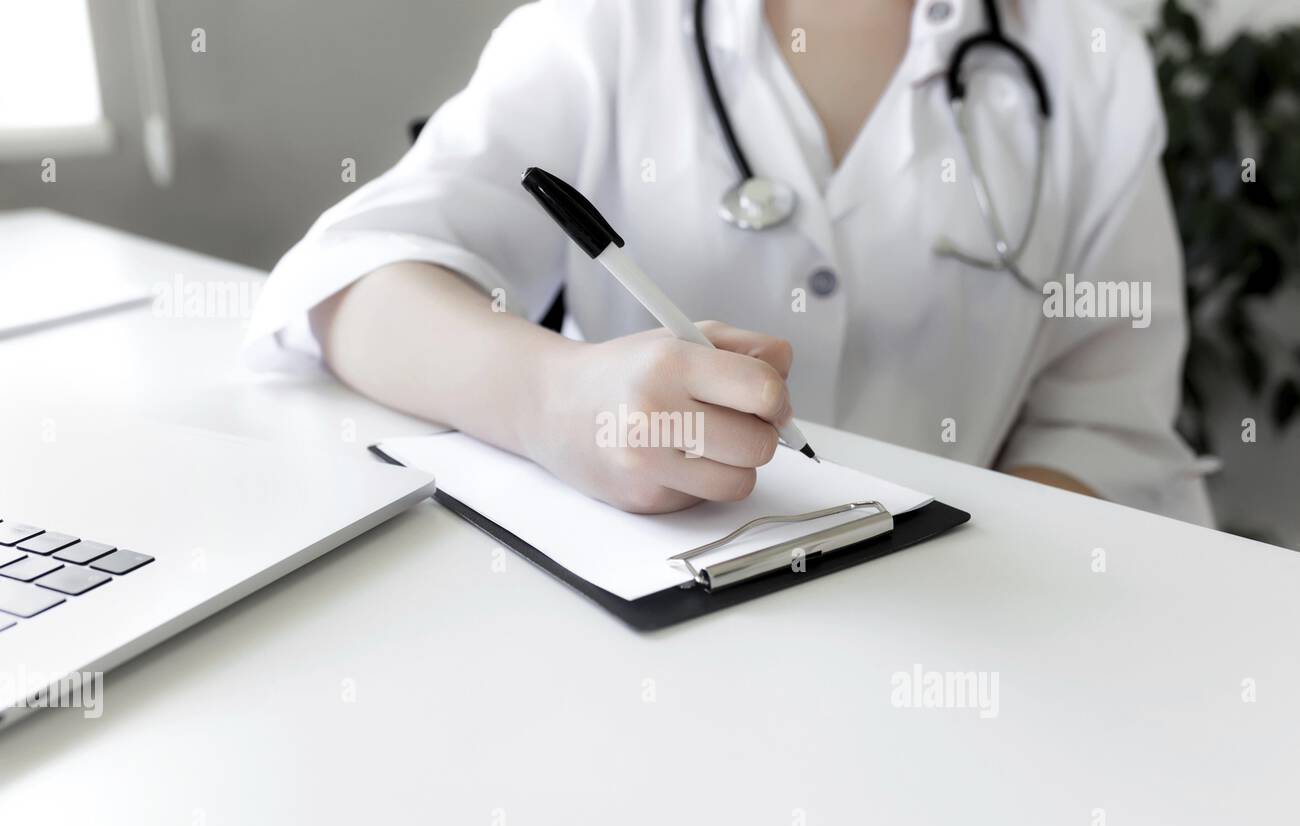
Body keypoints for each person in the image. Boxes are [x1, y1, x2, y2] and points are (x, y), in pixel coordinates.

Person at [247, 0, 1213, 522]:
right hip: (655, 641)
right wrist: (553, 400)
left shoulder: (1087, 59)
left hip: (963, 640)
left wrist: (955, 559)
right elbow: (350, 277)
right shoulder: (603, 26)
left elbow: (1111, 430)